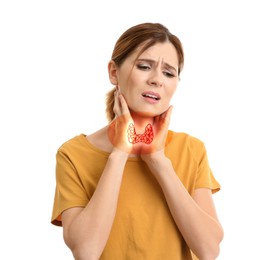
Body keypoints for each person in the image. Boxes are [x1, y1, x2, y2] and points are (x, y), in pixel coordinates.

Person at [51, 22, 224, 260]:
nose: (157, 80)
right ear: (114, 72)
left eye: (169, 73)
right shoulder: (74, 154)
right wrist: (120, 153)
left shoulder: (191, 149)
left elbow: (209, 250)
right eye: (144, 66)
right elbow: (86, 251)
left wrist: (157, 160)